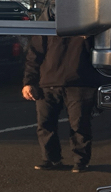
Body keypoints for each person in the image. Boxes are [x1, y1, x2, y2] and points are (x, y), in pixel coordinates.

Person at [21, 21, 100, 172]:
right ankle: (51, 159)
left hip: (80, 82)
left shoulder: (90, 24)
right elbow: (34, 55)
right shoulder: (47, 25)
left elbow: (103, 52)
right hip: (47, 82)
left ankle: (81, 161)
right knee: (45, 124)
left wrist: (90, 37)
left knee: (79, 124)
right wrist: (29, 82)